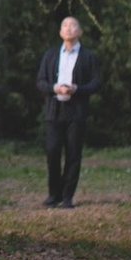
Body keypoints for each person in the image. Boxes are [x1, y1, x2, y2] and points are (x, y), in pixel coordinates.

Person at [35, 16, 102, 209]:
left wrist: (76, 89)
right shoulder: (51, 55)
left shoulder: (89, 57)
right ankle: (53, 194)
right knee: (53, 151)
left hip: (77, 110)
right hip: (54, 109)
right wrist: (55, 88)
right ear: (60, 32)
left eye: (73, 25)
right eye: (64, 25)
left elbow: (96, 82)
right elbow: (40, 81)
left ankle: (67, 197)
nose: (68, 28)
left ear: (80, 32)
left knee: (73, 154)